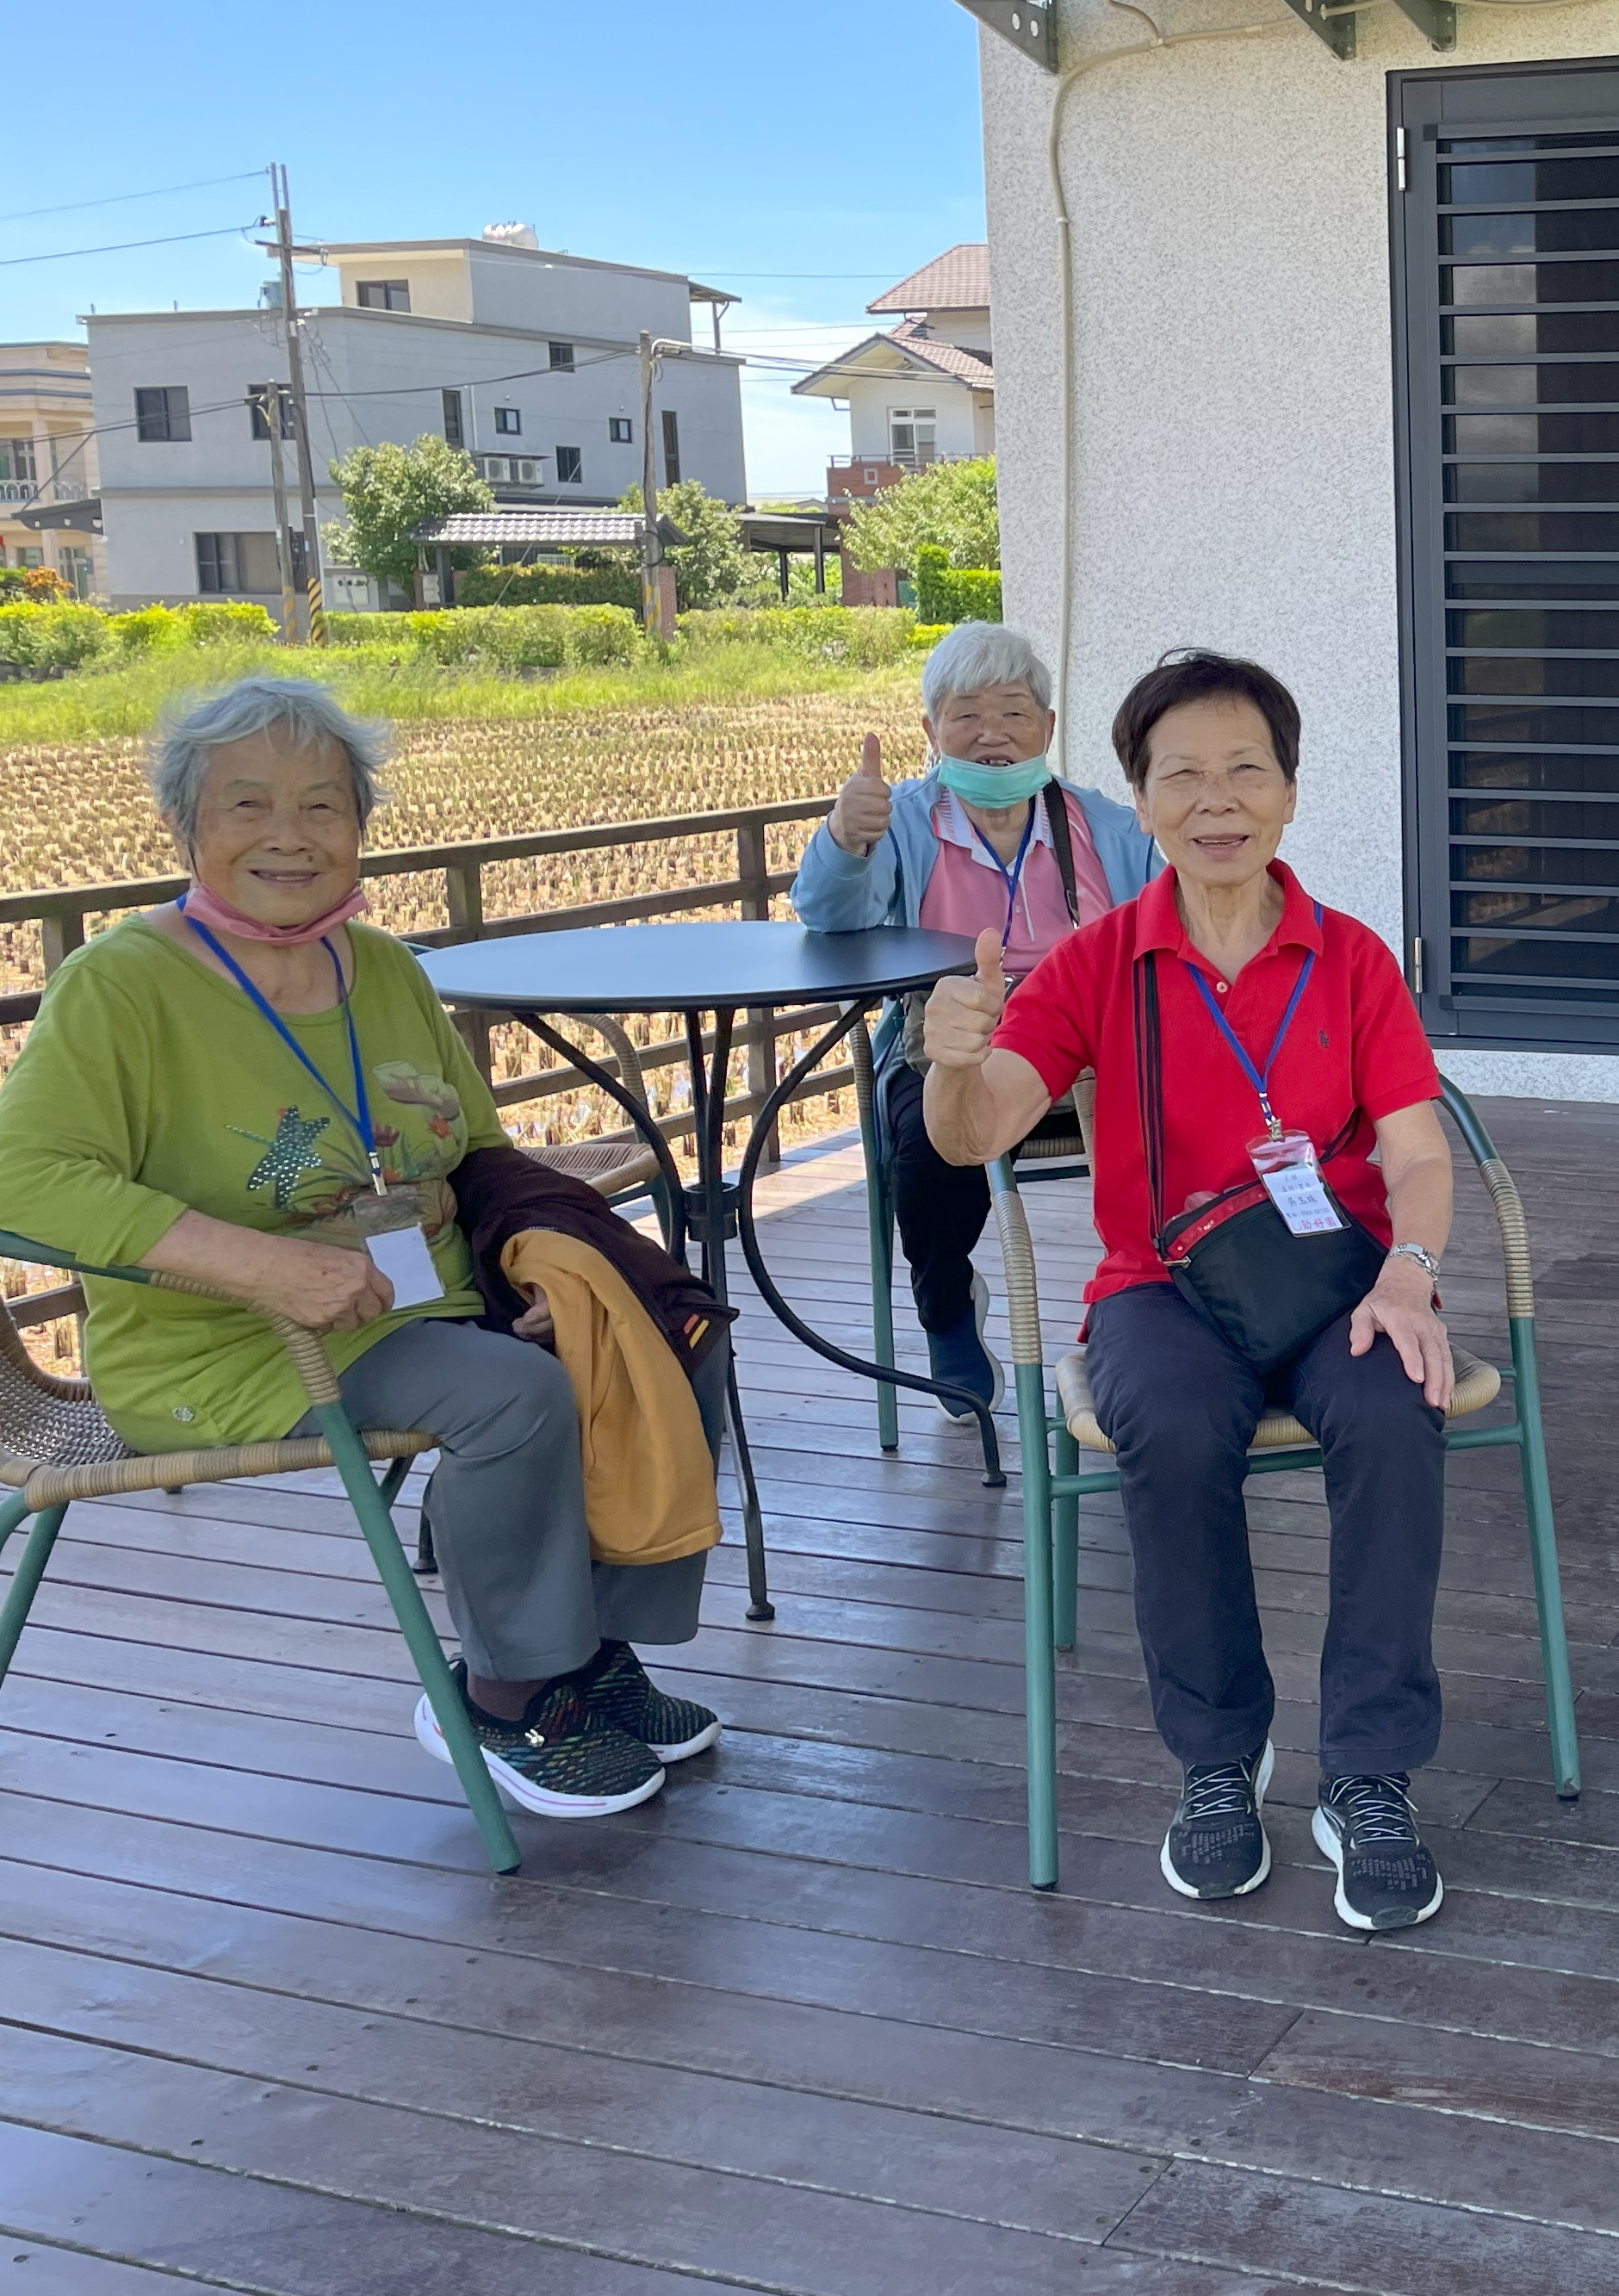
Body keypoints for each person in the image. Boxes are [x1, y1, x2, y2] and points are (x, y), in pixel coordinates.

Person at [0, 676, 728, 1818]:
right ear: (183, 825)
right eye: (247, 804)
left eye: (322, 806)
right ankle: (504, 1693)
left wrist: (533, 1268)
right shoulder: (120, 986)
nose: (288, 835)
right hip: (231, 1341)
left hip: (416, 1299)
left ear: (360, 828)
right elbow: (25, 1177)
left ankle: (587, 1652)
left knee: (664, 1328)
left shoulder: (380, 965)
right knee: (515, 1396)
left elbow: (475, 1149)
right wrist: (265, 1265)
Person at [918, 648, 1463, 1929]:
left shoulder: (1353, 959)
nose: (1217, 801)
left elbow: (1418, 1154)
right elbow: (976, 1130)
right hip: (1159, 1285)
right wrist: (952, 1064)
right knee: (1167, 1421)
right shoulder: (1097, 960)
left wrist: (1411, 1274)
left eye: (1245, 771)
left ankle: (1369, 1773)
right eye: (1183, 776)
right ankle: (1219, 1759)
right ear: (1141, 799)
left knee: (1396, 1409)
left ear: (1289, 792)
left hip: (1339, 1277)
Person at [791, 621, 1156, 1414]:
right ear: (931, 730)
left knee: (1188, 1115)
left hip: (1094, 1044)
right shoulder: (903, 821)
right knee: (925, 1140)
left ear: (1047, 728)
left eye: (1014, 712)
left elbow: (1171, 914)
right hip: (951, 1035)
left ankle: (1157, 1303)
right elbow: (828, 918)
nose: (993, 733)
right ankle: (947, 1308)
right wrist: (844, 842)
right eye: (967, 714)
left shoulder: (1106, 826)